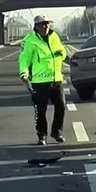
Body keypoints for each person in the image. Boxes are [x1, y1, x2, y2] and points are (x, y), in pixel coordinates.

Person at [19, 15, 68, 145]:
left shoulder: (54, 36)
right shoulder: (30, 41)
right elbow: (24, 59)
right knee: (40, 110)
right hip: (39, 82)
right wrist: (24, 73)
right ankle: (42, 135)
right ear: (36, 26)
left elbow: (62, 50)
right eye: (42, 24)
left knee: (61, 106)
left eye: (47, 24)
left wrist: (62, 54)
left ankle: (56, 132)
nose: (45, 26)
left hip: (56, 78)